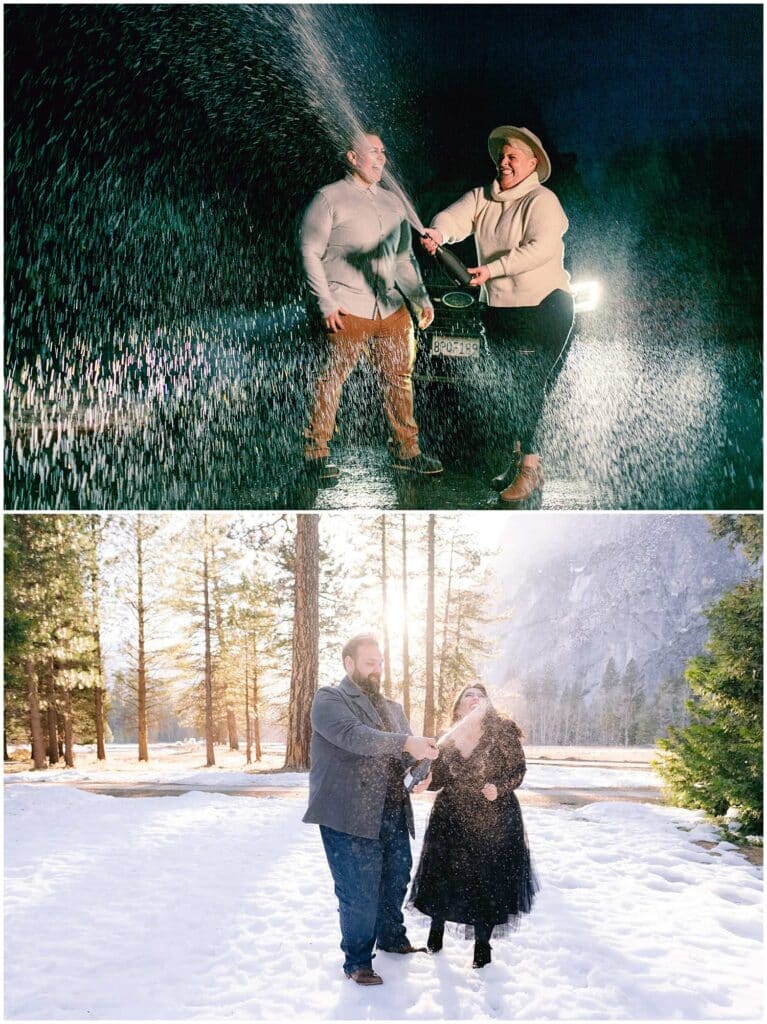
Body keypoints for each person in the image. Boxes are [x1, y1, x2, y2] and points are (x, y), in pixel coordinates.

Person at [421, 126, 573, 506]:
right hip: (500, 310)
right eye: (501, 156)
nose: (503, 163)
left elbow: (540, 248)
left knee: (527, 388)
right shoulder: (481, 197)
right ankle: (520, 460)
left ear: (531, 163)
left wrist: (492, 269)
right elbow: (453, 218)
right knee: (512, 389)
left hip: (545, 306)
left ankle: (529, 469)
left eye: (512, 157)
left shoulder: (543, 201)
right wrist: (438, 233)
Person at [300, 130, 443, 479]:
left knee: (399, 380)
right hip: (346, 308)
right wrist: (326, 303)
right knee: (331, 380)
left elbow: (404, 259)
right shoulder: (328, 198)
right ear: (352, 157)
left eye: (383, 152)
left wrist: (420, 299)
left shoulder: (394, 204)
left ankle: (407, 453)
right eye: (372, 152)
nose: (380, 158)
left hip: (392, 310)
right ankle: (315, 455)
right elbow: (309, 252)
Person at [303, 633, 439, 986]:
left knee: (395, 880)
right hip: (349, 815)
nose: (378, 670)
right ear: (349, 664)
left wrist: (424, 768)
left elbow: (408, 756)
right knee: (359, 892)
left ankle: (393, 939)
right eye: (370, 664)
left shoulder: (393, 708)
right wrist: (406, 742)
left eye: (380, 663)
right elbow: (355, 736)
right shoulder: (329, 699)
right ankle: (357, 961)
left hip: (392, 812)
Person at [408, 683, 538, 969]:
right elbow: (440, 778)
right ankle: (436, 933)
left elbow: (519, 769)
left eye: (480, 695)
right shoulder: (449, 738)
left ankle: (482, 945)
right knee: (444, 875)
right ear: (458, 706)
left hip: (492, 817)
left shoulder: (502, 731)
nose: (475, 698)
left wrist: (500, 787)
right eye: (468, 694)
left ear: (488, 704)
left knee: (486, 881)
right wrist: (429, 782)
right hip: (450, 817)